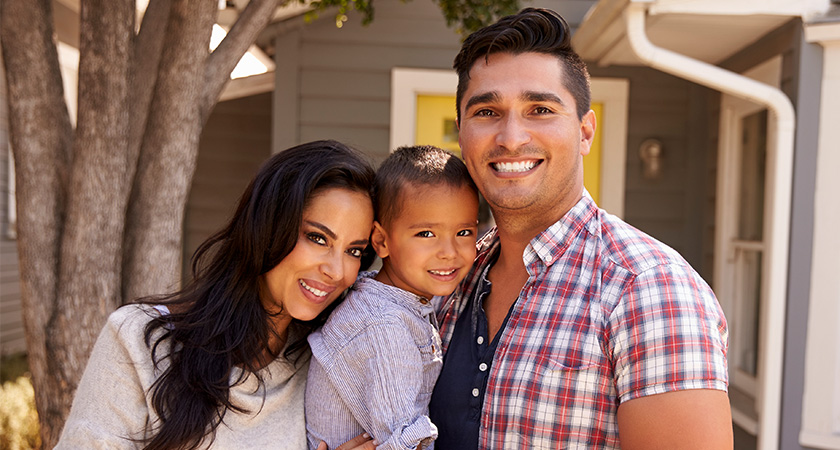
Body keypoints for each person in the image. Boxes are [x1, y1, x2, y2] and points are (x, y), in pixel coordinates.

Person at [428, 7, 732, 450]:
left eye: (540, 109)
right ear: (461, 132)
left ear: (585, 131)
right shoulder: (450, 274)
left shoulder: (649, 289)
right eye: (487, 111)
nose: (511, 137)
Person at [57, 140, 379, 450]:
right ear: (267, 227)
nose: (338, 271)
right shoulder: (139, 340)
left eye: (354, 250)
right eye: (318, 238)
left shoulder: (327, 360)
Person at [305, 145, 479, 450]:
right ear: (382, 241)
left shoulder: (391, 299)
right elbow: (405, 442)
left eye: (464, 233)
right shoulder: (385, 328)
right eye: (426, 234)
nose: (449, 252)